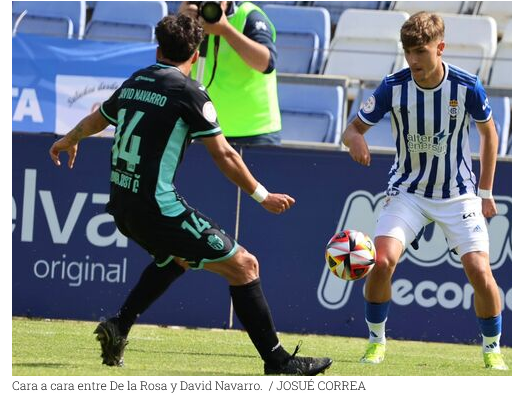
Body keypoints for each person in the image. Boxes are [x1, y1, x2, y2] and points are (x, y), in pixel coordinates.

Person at [49, 14, 331, 376]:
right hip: (157, 208)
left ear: (157, 48)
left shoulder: (136, 80)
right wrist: (263, 196)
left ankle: (119, 325)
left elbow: (100, 119)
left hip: (122, 205)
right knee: (245, 266)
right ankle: (279, 362)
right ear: (196, 55)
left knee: (176, 258)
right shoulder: (188, 92)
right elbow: (226, 155)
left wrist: (70, 138)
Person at [341, 11, 508, 370]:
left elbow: (489, 133)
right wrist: (355, 140)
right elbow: (352, 128)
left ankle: (492, 348)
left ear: (440, 48)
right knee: (381, 261)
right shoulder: (393, 86)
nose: (413, 60)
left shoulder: (466, 86)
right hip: (408, 192)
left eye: (421, 51)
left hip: (458, 193)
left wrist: (486, 190)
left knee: (480, 271)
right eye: (408, 51)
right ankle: (376, 341)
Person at [180, 1, 282, 146]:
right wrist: (183, 26)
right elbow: (173, 67)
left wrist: (225, 30)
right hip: (207, 128)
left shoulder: (248, 15)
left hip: (255, 131)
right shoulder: (193, 20)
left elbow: (266, 63)